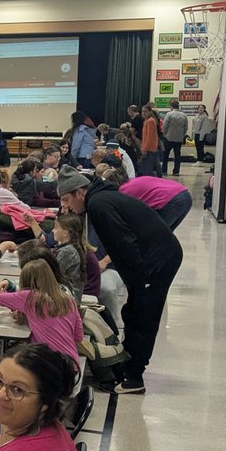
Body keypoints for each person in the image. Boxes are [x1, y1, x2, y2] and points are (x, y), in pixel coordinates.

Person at [57, 165, 182, 392]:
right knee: (134, 310)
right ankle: (127, 363)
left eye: (66, 199)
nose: (66, 206)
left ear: (80, 192)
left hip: (158, 259)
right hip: (151, 256)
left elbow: (124, 244)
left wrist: (140, 281)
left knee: (145, 314)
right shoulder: (101, 199)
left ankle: (134, 377)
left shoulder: (98, 204)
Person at [0, 259, 83, 366]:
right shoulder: (69, 300)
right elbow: (78, 337)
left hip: (48, 364)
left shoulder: (29, 297)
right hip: (72, 364)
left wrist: (3, 286)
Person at [50, 212, 99, 303]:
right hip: (69, 298)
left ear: (65, 233)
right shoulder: (71, 248)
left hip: (67, 301)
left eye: (56, 228)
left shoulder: (67, 252)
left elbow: (52, 276)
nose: (53, 231)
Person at [118, 174, 194, 230]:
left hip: (171, 199)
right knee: (166, 236)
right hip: (185, 195)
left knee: (155, 236)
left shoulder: (121, 192)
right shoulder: (132, 182)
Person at [161, 99, 189, 175]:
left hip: (169, 137)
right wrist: (182, 135)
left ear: (171, 106)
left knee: (165, 154)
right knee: (177, 155)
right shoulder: (184, 115)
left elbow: (165, 126)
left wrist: (164, 134)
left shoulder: (169, 114)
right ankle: (176, 171)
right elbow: (186, 127)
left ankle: (164, 170)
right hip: (179, 138)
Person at [139, 103, 161, 177]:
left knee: (147, 169)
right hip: (150, 148)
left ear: (149, 112)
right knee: (154, 166)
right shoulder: (147, 120)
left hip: (149, 148)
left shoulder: (150, 121)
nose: (143, 113)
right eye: (142, 111)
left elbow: (149, 137)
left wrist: (144, 149)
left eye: (145, 111)